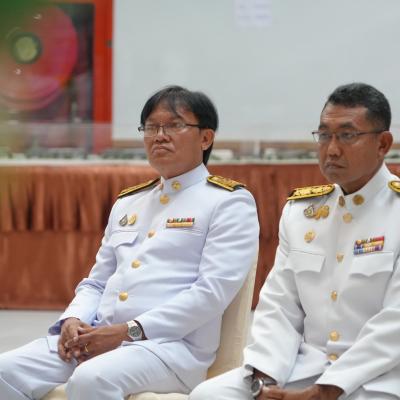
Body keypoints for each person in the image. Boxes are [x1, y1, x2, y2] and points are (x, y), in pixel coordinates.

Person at [0, 85, 259, 400]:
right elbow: (97, 282)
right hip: (97, 337)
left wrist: (129, 331)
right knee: (5, 369)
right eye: (151, 127)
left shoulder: (228, 202)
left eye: (174, 125)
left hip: (169, 348)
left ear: (205, 138)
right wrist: (73, 319)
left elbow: (210, 293)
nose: (159, 136)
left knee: (91, 379)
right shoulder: (129, 202)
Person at [190, 82, 400, 400]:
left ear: (383, 144)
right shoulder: (302, 213)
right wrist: (264, 379)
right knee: (209, 395)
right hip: (307, 368)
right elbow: (280, 305)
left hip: (381, 376)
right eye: (324, 135)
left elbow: (395, 322)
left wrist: (327, 390)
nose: (332, 149)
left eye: (347, 135)